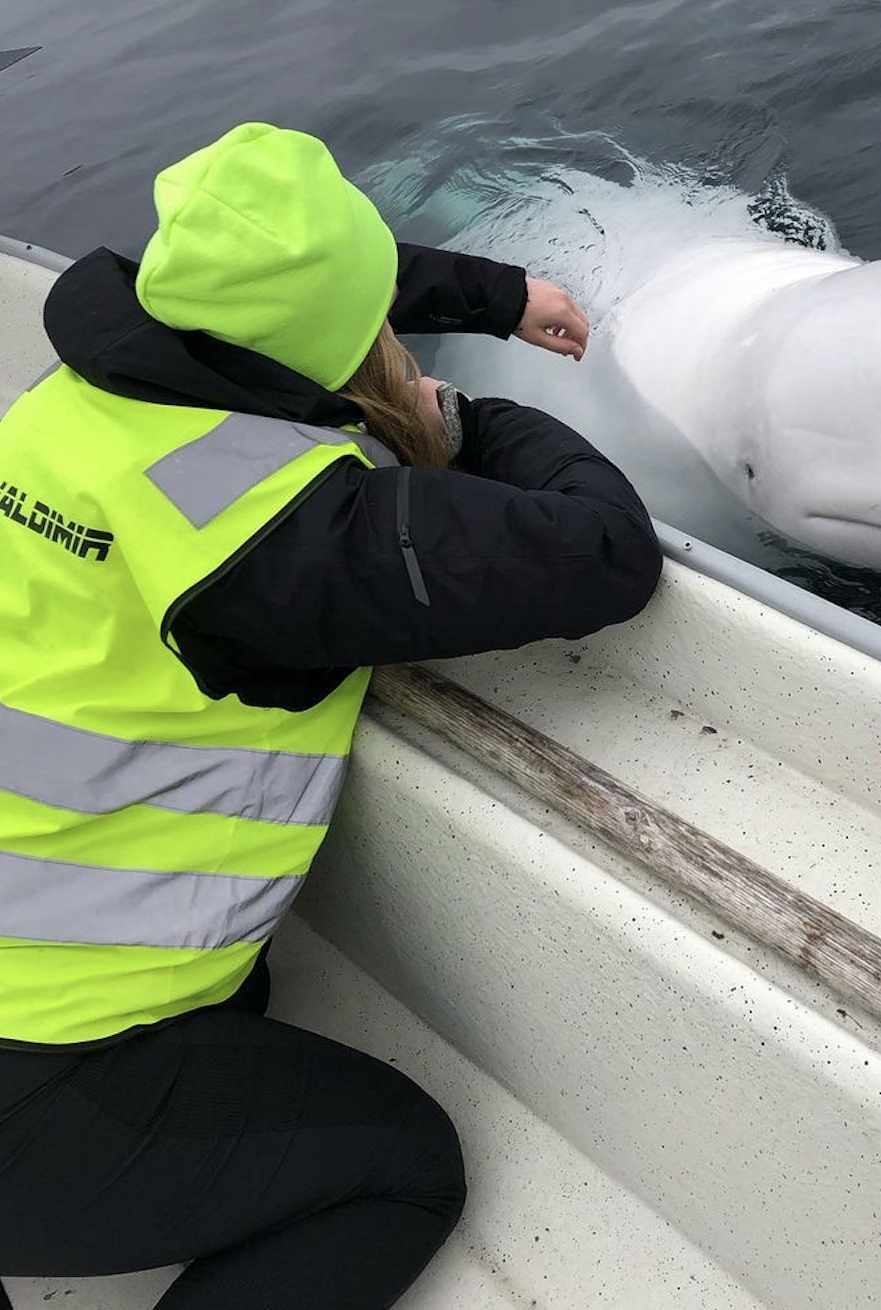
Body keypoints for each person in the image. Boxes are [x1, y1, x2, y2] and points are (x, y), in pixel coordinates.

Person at [0, 122, 662, 1309]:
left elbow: (297, 285)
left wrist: (502, 295)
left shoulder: (74, 403)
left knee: (244, 1010)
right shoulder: (279, 535)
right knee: (401, 1166)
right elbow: (604, 555)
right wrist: (461, 422)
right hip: (28, 1082)